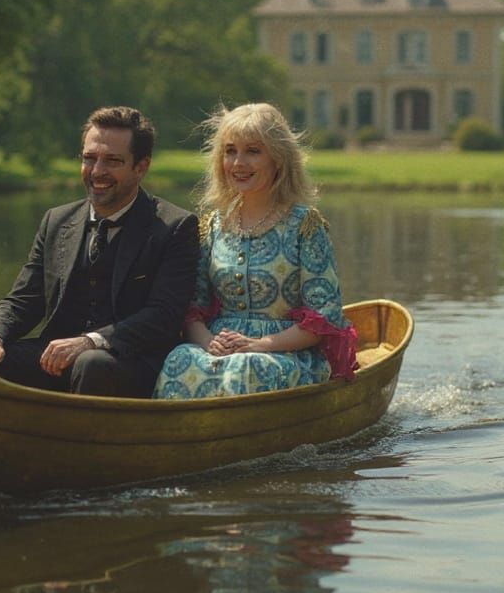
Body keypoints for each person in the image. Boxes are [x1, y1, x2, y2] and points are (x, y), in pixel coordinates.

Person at [0, 105, 199, 397]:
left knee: (91, 364)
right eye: (89, 158)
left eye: (112, 161)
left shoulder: (176, 226)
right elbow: (24, 299)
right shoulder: (56, 220)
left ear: (141, 167)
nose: (97, 171)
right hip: (54, 358)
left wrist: (91, 341)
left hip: (129, 361)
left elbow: (163, 316)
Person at [153, 102, 357, 399]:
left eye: (253, 151)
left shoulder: (305, 226)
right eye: (230, 151)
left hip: (285, 351)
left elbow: (324, 317)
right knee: (179, 359)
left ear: (278, 159)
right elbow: (192, 309)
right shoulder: (212, 226)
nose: (238, 163)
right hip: (219, 347)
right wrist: (209, 342)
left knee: (248, 368)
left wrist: (259, 344)